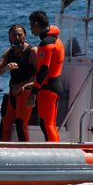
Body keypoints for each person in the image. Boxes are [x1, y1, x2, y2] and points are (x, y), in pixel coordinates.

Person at [0, 23, 38, 141]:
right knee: (4, 125)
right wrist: (5, 68)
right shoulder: (9, 52)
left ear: (25, 36)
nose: (17, 38)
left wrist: (25, 86)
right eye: (13, 35)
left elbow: (42, 75)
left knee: (20, 124)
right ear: (9, 37)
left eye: (19, 35)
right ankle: (2, 152)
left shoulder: (32, 51)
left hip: (26, 93)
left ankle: (25, 153)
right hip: (12, 93)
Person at [29, 11, 66, 142]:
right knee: (48, 124)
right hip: (54, 85)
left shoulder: (46, 43)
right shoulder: (57, 40)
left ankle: (56, 152)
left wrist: (34, 91)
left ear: (36, 24)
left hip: (48, 87)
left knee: (47, 124)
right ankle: (54, 148)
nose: (30, 29)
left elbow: (44, 69)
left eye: (31, 25)